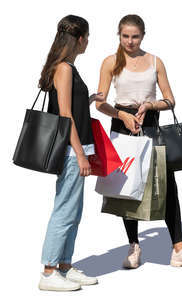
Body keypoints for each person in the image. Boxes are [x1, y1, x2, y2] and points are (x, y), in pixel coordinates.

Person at [95, 14, 182, 269]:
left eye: (135, 36)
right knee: (126, 185)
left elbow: (170, 100)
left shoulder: (155, 61)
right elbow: (100, 103)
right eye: (125, 36)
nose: (130, 41)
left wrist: (150, 104)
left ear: (143, 35)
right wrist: (121, 114)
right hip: (122, 124)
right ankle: (134, 245)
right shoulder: (110, 62)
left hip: (151, 124)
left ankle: (179, 248)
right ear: (119, 35)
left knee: (167, 184)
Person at [38, 15, 101, 291]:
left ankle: (64, 264)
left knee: (74, 211)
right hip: (72, 150)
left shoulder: (70, 68)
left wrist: (89, 100)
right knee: (65, 210)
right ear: (79, 39)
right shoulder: (64, 68)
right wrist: (80, 154)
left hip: (79, 147)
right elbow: (65, 116)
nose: (88, 41)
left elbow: (71, 107)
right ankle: (49, 271)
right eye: (87, 37)